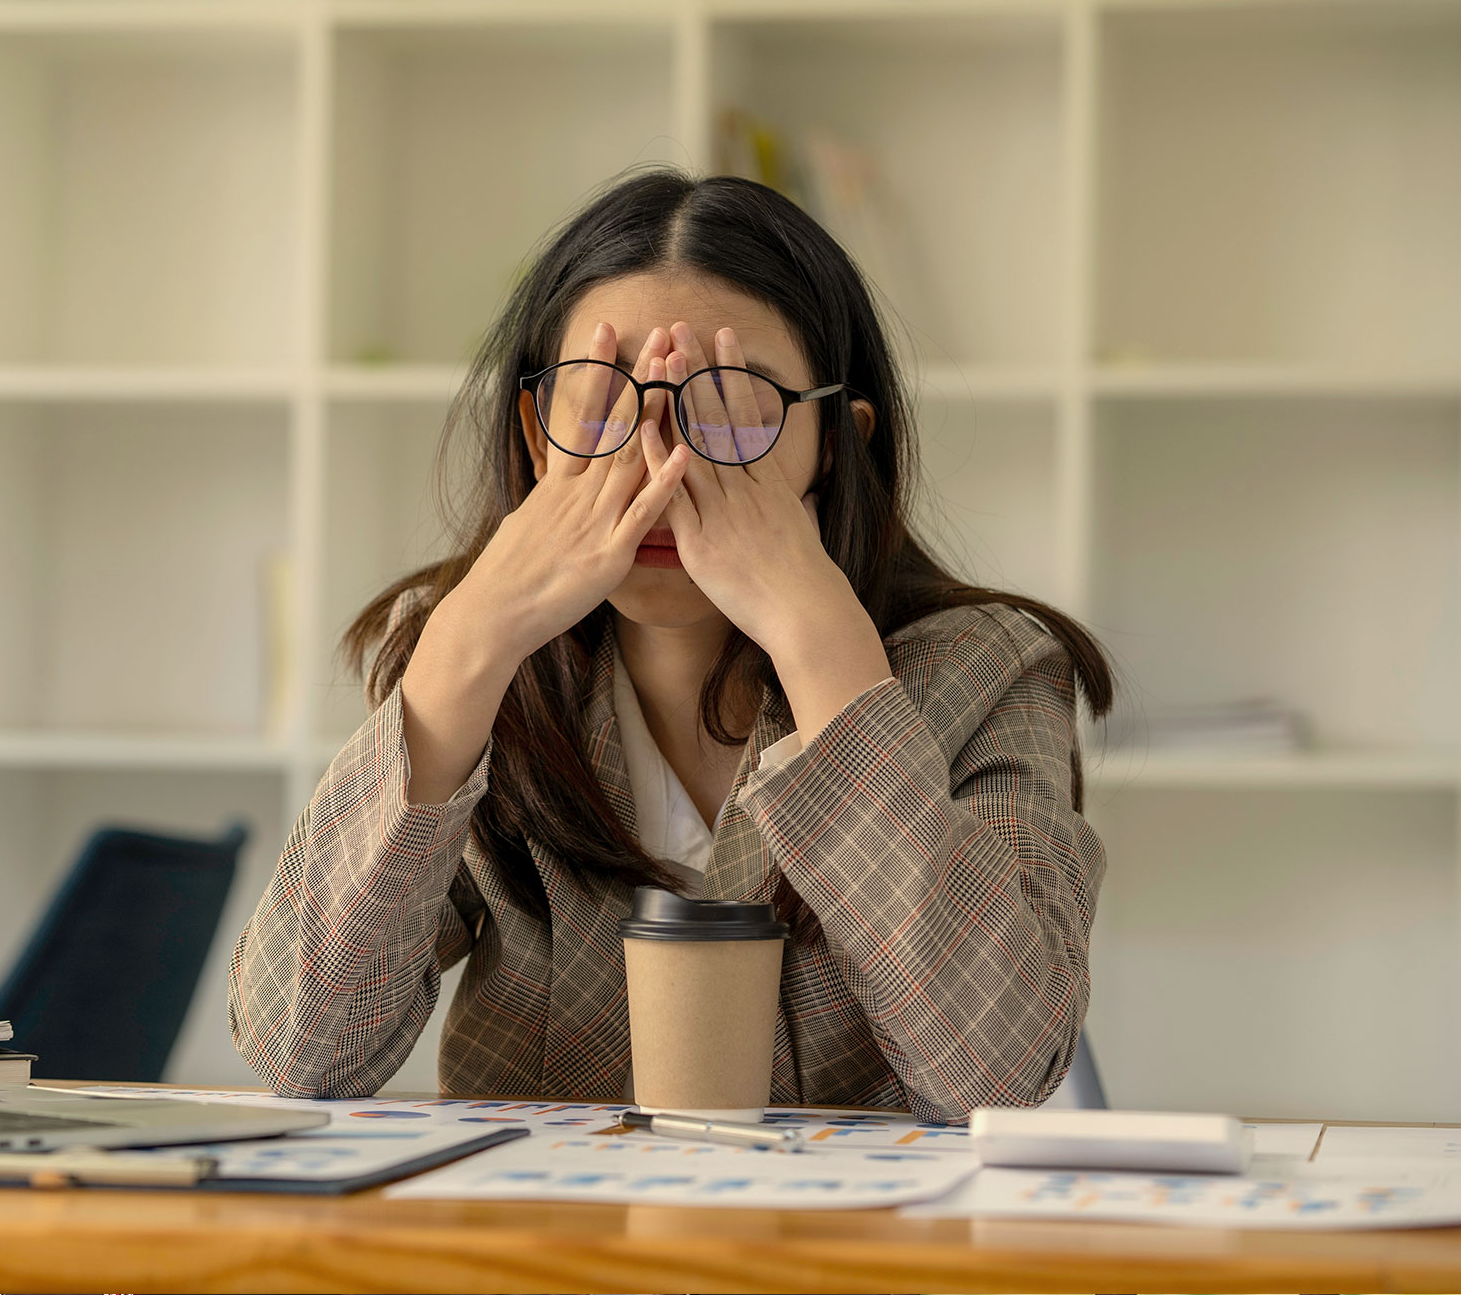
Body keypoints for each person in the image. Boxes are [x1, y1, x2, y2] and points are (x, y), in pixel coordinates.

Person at [228, 169, 1112, 1123]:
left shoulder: (991, 672)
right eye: (603, 398)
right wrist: (467, 644)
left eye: (729, 403)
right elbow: (299, 1049)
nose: (659, 458)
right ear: (535, 435)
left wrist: (825, 651)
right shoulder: (473, 664)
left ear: (838, 444)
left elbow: (999, 1073)